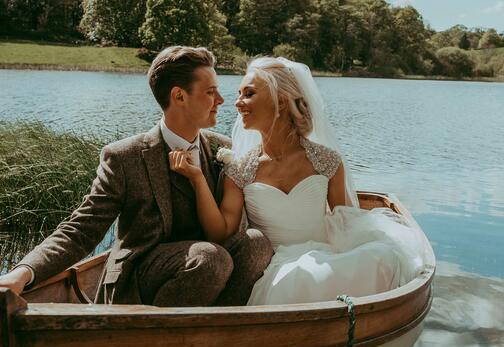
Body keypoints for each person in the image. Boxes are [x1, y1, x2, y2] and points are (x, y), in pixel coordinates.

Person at [0, 46, 273, 306]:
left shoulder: (221, 147)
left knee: (256, 244)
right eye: (211, 92)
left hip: (210, 270)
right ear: (179, 96)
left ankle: (215, 332)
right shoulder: (124, 157)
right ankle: (153, 341)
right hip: (140, 281)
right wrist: (23, 271)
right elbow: (81, 229)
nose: (221, 101)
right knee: (210, 258)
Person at [169, 57, 425, 306]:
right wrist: (198, 179)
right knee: (298, 281)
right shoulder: (240, 168)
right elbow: (221, 231)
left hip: (327, 257)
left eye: (248, 94)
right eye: (239, 94)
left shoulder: (327, 161)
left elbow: (345, 222)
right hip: (274, 268)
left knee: (380, 258)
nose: (237, 103)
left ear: (280, 99)